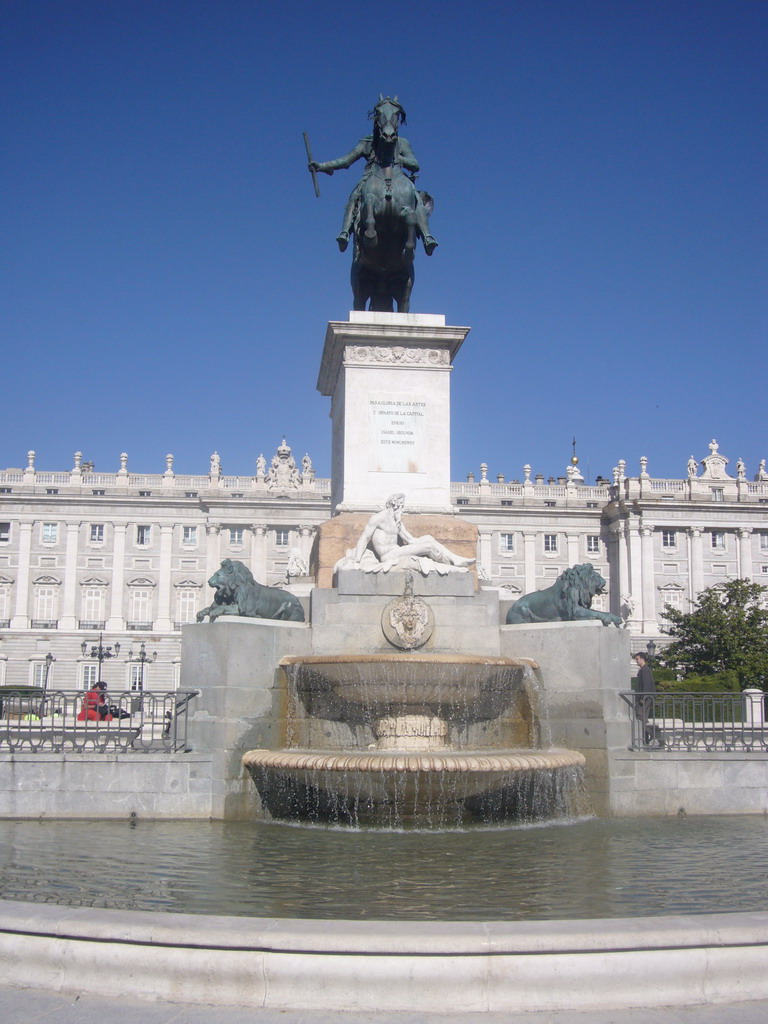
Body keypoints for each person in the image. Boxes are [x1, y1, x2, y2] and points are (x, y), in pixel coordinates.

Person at [309, 97, 437, 255]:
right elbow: (346, 160)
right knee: (356, 196)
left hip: (398, 175)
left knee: (416, 199)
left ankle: (427, 236)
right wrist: (322, 166)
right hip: (372, 176)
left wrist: (399, 158)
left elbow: (415, 165)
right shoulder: (367, 143)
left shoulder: (402, 143)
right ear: (378, 120)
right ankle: (345, 232)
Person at [354, 493, 474, 569]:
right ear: (394, 504)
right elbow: (364, 538)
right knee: (429, 547)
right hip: (388, 556)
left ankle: (454, 559)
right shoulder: (378, 518)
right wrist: (357, 561)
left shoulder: (397, 521)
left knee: (428, 538)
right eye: (401, 505)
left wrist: (426, 540)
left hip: (398, 551)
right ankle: (451, 563)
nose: (402, 508)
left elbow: (411, 540)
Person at [633, 652, 662, 747]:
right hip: (646, 697)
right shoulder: (645, 670)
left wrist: (642, 698)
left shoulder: (645, 670)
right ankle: (646, 740)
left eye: (637, 659)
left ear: (642, 659)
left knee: (640, 717)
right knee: (642, 718)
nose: (636, 661)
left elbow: (646, 685)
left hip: (645, 698)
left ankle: (656, 737)